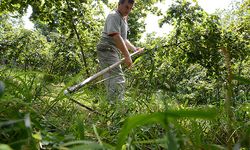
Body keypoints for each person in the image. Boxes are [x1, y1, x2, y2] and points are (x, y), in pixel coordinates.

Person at [97, 0, 143, 104]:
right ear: (119, 4)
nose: (129, 10)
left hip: (112, 50)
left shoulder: (123, 19)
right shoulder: (114, 16)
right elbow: (116, 36)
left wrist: (134, 49)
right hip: (107, 49)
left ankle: (112, 105)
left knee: (113, 77)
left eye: (131, 8)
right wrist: (127, 56)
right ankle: (115, 107)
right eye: (127, 7)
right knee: (117, 78)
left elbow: (123, 39)